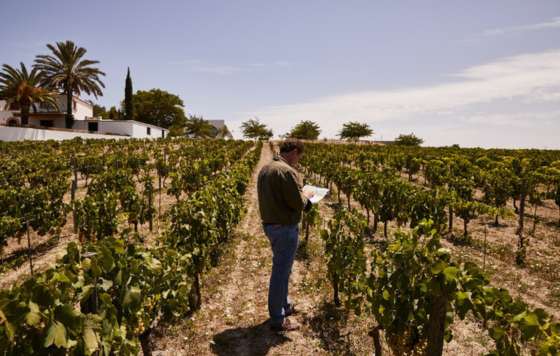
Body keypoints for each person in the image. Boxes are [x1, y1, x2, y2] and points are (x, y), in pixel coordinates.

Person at [257, 139, 313, 332]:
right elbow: (299, 203)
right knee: (281, 273)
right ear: (295, 152)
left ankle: (285, 305)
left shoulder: (266, 169)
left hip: (271, 226)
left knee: (283, 268)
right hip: (284, 228)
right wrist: (309, 198)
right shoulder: (286, 171)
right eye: (299, 156)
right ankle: (277, 318)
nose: (298, 161)